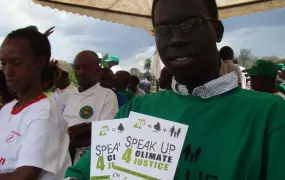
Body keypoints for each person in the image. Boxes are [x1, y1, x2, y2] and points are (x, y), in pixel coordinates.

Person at [64, 0, 285, 179]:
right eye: (163, 30)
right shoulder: (138, 110)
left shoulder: (270, 115)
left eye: (192, 24)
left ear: (217, 31)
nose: (177, 39)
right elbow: (84, 173)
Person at [0, 28, 66, 179]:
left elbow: (24, 176)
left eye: (16, 63)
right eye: (3, 63)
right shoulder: (7, 110)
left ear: (39, 62)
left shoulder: (44, 114)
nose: (8, 72)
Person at [62, 51, 118, 164]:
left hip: (87, 161)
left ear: (98, 71)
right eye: (77, 68)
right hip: (61, 158)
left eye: (86, 67)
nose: (81, 72)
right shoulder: (66, 96)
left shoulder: (107, 95)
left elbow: (106, 133)